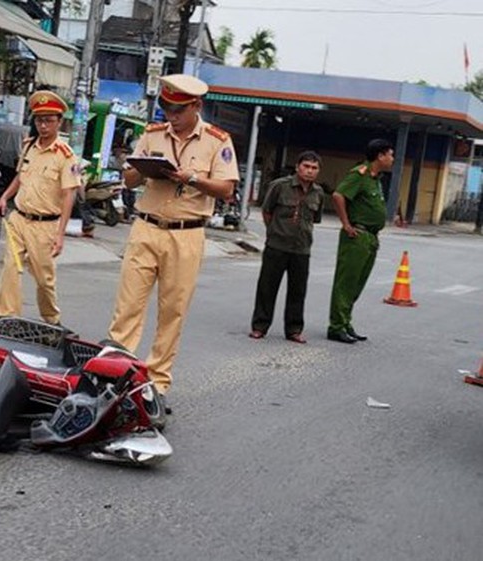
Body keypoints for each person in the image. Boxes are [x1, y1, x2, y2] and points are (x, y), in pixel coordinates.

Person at [107, 74, 239, 407]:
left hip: (187, 233)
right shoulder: (152, 134)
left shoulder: (216, 140)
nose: (171, 115)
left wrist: (191, 177)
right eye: (166, 107)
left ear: (197, 106)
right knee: (128, 306)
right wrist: (139, 168)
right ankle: (114, 375)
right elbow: (129, 179)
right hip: (146, 227)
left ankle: (156, 383)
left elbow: (226, 189)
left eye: (179, 108)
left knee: (172, 311)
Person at [0, 90, 81, 324]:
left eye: (49, 120)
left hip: (46, 225)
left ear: (59, 122)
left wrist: (60, 235)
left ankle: (52, 319)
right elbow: (20, 177)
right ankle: (6, 316)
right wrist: (5, 197)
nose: (43, 126)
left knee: (44, 279)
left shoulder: (66, 156)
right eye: (39, 120)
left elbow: (68, 195)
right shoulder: (29, 146)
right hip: (19, 218)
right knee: (11, 268)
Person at [249, 151, 325, 343]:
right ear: (298, 167)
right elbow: (267, 212)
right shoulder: (279, 186)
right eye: (306, 166)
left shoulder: (318, 193)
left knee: (298, 291)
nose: (309, 171)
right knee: (267, 287)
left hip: (302, 249)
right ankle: (260, 326)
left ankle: (294, 330)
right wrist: (275, 231)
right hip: (277, 245)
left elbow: (314, 219)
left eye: (314, 168)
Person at [327, 138, 395, 343]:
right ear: (380, 156)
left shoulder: (375, 178)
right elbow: (338, 196)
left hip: (370, 238)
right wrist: (346, 224)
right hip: (356, 236)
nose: (392, 159)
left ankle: (346, 322)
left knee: (357, 283)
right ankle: (336, 326)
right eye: (390, 154)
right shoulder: (360, 174)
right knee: (346, 282)